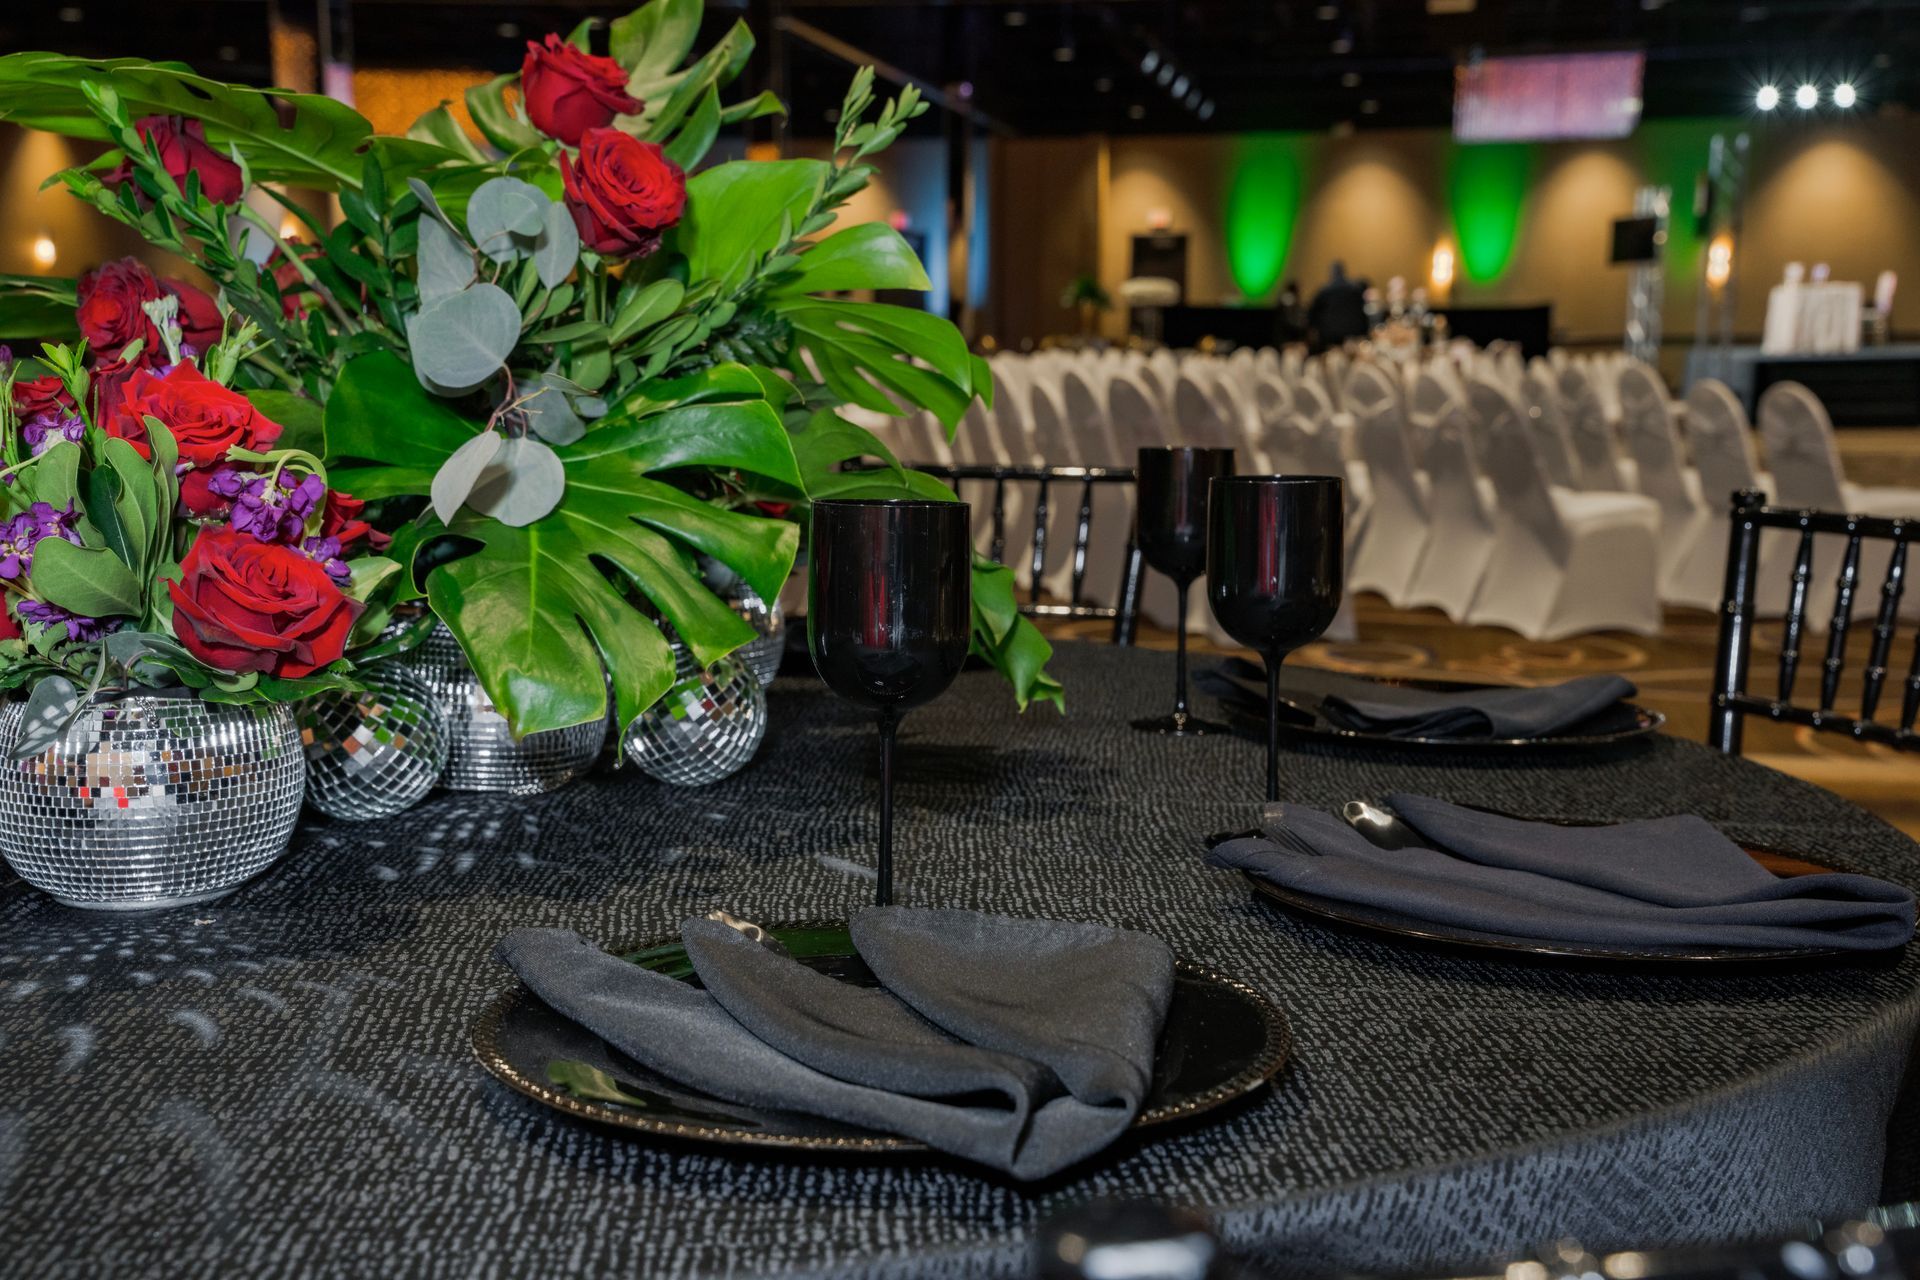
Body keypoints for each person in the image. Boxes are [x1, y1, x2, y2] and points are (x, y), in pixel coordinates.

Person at [1306, 261, 1368, 351]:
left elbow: (1312, 314)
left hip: (1330, 336)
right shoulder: (1355, 290)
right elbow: (1363, 311)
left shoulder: (1324, 291)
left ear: (1331, 273)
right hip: (1353, 334)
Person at [1272, 279, 1308, 347]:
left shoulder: (1285, 301)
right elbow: (1291, 322)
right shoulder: (1288, 301)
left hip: (1286, 338)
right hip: (1286, 339)